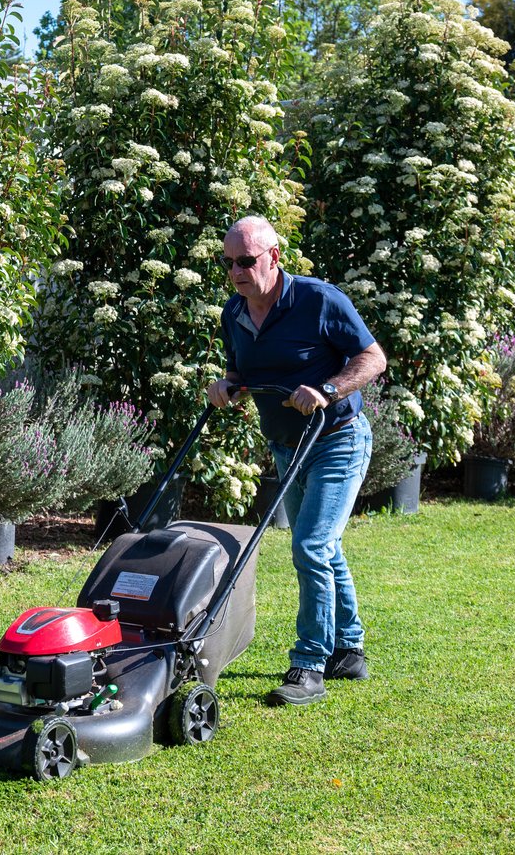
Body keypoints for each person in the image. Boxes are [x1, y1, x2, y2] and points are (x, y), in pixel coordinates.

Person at [205, 215, 386, 707]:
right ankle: (349, 649)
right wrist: (227, 387)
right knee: (324, 548)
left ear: (274, 256)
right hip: (287, 446)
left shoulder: (319, 300)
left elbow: (373, 359)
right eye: (229, 263)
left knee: (310, 545)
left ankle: (309, 665)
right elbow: (240, 372)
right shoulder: (234, 313)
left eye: (247, 260)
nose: (238, 271)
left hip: (338, 439)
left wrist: (327, 389)